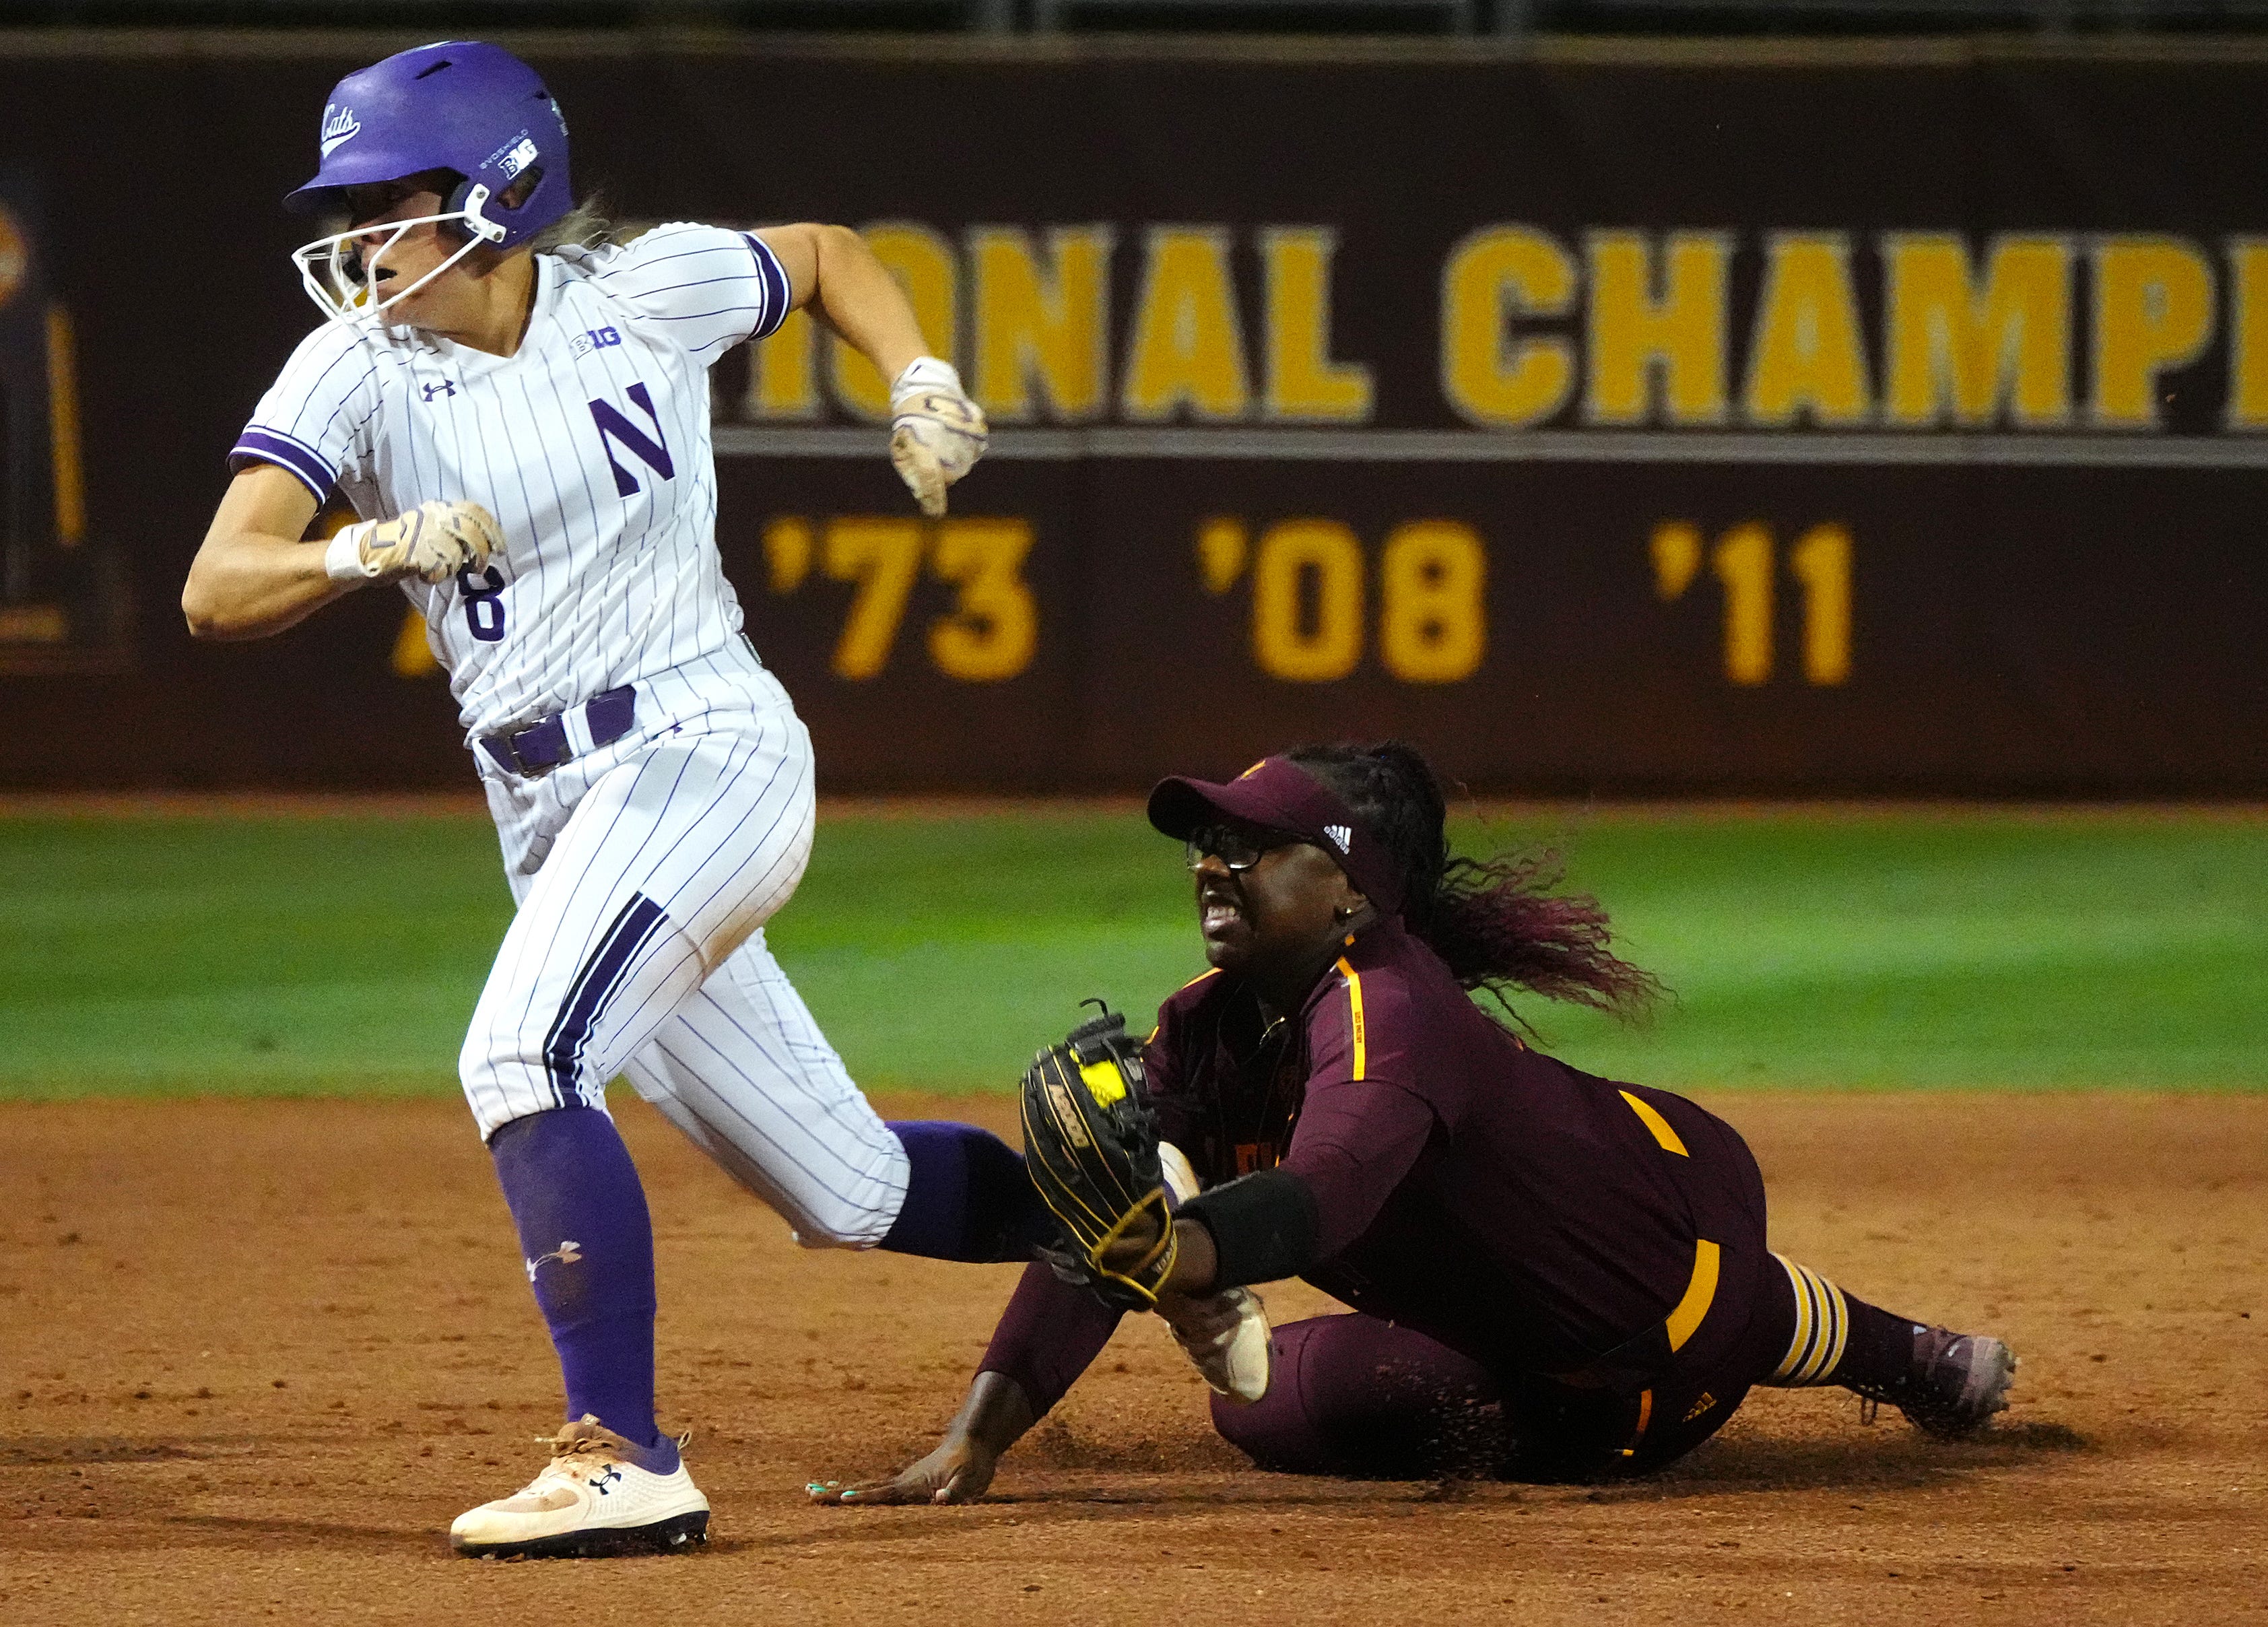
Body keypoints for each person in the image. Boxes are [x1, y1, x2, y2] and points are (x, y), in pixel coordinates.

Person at [182, 40, 1057, 1558]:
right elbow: (215, 585)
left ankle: (623, 1456)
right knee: (848, 1188)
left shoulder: (643, 291)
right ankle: (1153, 1231)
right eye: (352, 205)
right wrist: (356, 551)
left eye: (391, 198)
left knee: (524, 1051)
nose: (361, 234)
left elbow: (827, 257)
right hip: (553, 811)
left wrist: (919, 374)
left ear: (499, 188)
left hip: (706, 748)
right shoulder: (352, 365)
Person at [811, 743, 2018, 1504]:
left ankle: (1904, 1353)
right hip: (1540, 1327)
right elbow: (1111, 1227)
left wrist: (1185, 1252)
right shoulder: (1205, 1028)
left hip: (1665, 1321)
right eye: (1209, 844)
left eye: (1253, 845)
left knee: (1683, 1314)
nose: (1213, 864)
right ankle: (1531, 1392)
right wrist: (982, 1433)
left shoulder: (1389, 1010)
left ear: (1350, 893)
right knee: (1258, 1408)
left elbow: (1328, 1190)